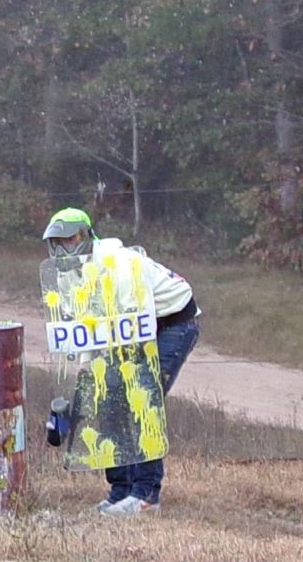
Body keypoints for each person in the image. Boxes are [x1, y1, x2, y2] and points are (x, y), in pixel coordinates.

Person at [41, 207, 199, 516]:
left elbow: (137, 326)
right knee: (107, 401)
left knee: (142, 399)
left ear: (86, 236)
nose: (62, 248)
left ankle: (145, 495)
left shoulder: (121, 263)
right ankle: (120, 492)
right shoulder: (65, 276)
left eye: (69, 239)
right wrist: (86, 387)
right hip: (121, 332)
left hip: (171, 324)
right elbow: (87, 331)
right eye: (56, 242)